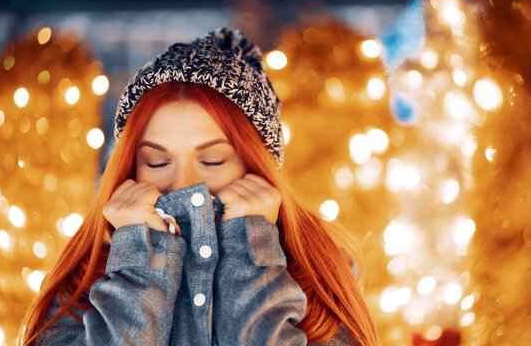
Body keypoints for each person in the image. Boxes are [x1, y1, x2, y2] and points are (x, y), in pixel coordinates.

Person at [19, 28, 378, 346]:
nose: (184, 185)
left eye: (213, 161)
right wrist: (139, 266)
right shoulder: (84, 279)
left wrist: (251, 253)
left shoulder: (316, 276)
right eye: (157, 163)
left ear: (257, 166)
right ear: (130, 169)